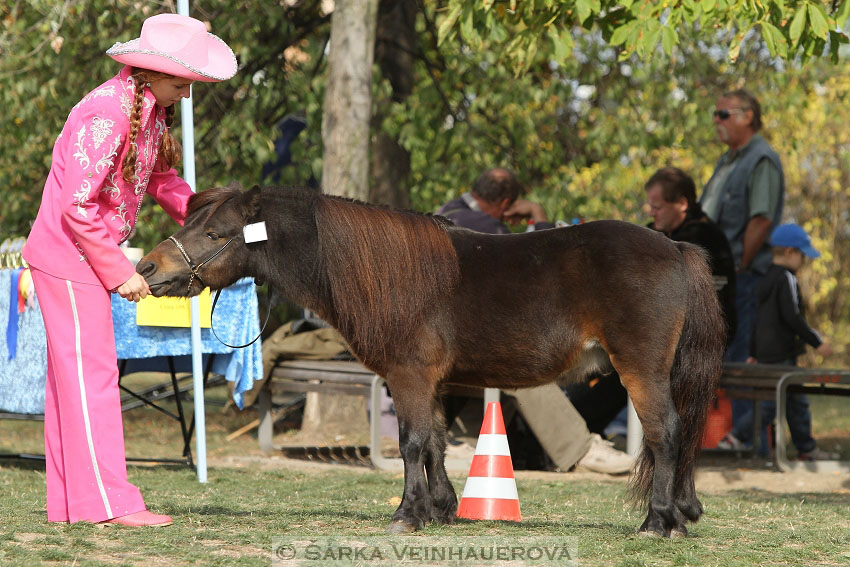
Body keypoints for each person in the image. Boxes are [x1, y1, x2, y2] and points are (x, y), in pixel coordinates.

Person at [21, 13, 237, 526]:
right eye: (182, 83)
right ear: (151, 73)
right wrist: (121, 271)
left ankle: (75, 505)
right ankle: (110, 505)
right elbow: (77, 206)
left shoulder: (144, 111)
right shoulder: (108, 114)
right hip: (67, 258)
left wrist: (207, 216)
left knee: (75, 382)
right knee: (92, 379)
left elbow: (160, 179)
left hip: (77, 256)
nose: (186, 95)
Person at [436, 167, 635, 475]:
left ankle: (462, 439)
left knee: (509, 358)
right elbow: (537, 265)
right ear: (505, 204)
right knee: (525, 366)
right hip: (450, 347)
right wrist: (538, 216)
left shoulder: (449, 213)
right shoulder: (483, 227)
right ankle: (580, 449)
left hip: (447, 339)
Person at [573, 166, 739, 440]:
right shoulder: (651, 235)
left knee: (622, 373)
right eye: (650, 205)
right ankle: (569, 432)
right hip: (649, 334)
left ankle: (573, 435)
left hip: (693, 340)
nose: (651, 212)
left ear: (682, 204)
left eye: (658, 206)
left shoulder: (708, 239)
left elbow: (714, 311)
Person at [699, 88, 785, 449]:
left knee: (742, 359)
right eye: (715, 114)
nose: (716, 121)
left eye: (724, 114)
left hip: (745, 276)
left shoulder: (761, 159)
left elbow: (761, 220)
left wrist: (741, 265)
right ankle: (726, 438)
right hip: (717, 275)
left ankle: (748, 440)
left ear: (748, 116)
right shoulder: (726, 161)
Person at [746, 223, 836, 460]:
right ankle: (738, 437)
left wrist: (753, 350)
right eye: (802, 255)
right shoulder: (787, 278)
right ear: (789, 252)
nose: (803, 261)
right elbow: (793, 316)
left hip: (766, 352)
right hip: (782, 354)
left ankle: (805, 447)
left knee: (792, 401)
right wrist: (817, 342)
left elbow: (757, 319)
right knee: (772, 405)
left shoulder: (763, 279)